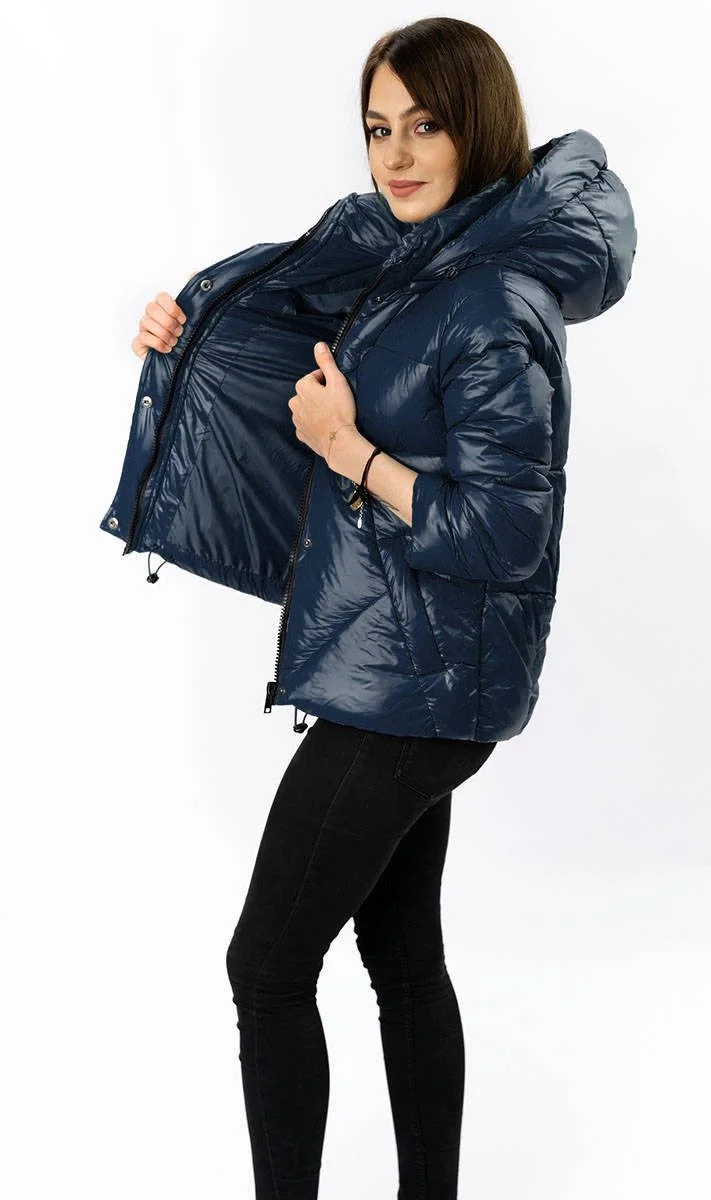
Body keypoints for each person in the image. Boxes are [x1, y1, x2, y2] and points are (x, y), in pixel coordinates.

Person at [125, 17, 636, 1200]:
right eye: (376, 128)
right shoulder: (416, 269)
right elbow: (302, 372)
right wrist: (182, 336)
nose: (395, 155)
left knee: (265, 967)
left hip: (418, 684)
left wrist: (352, 455)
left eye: (425, 126)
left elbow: (505, 535)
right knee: (400, 957)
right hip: (402, 668)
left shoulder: (491, 300)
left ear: (479, 132)